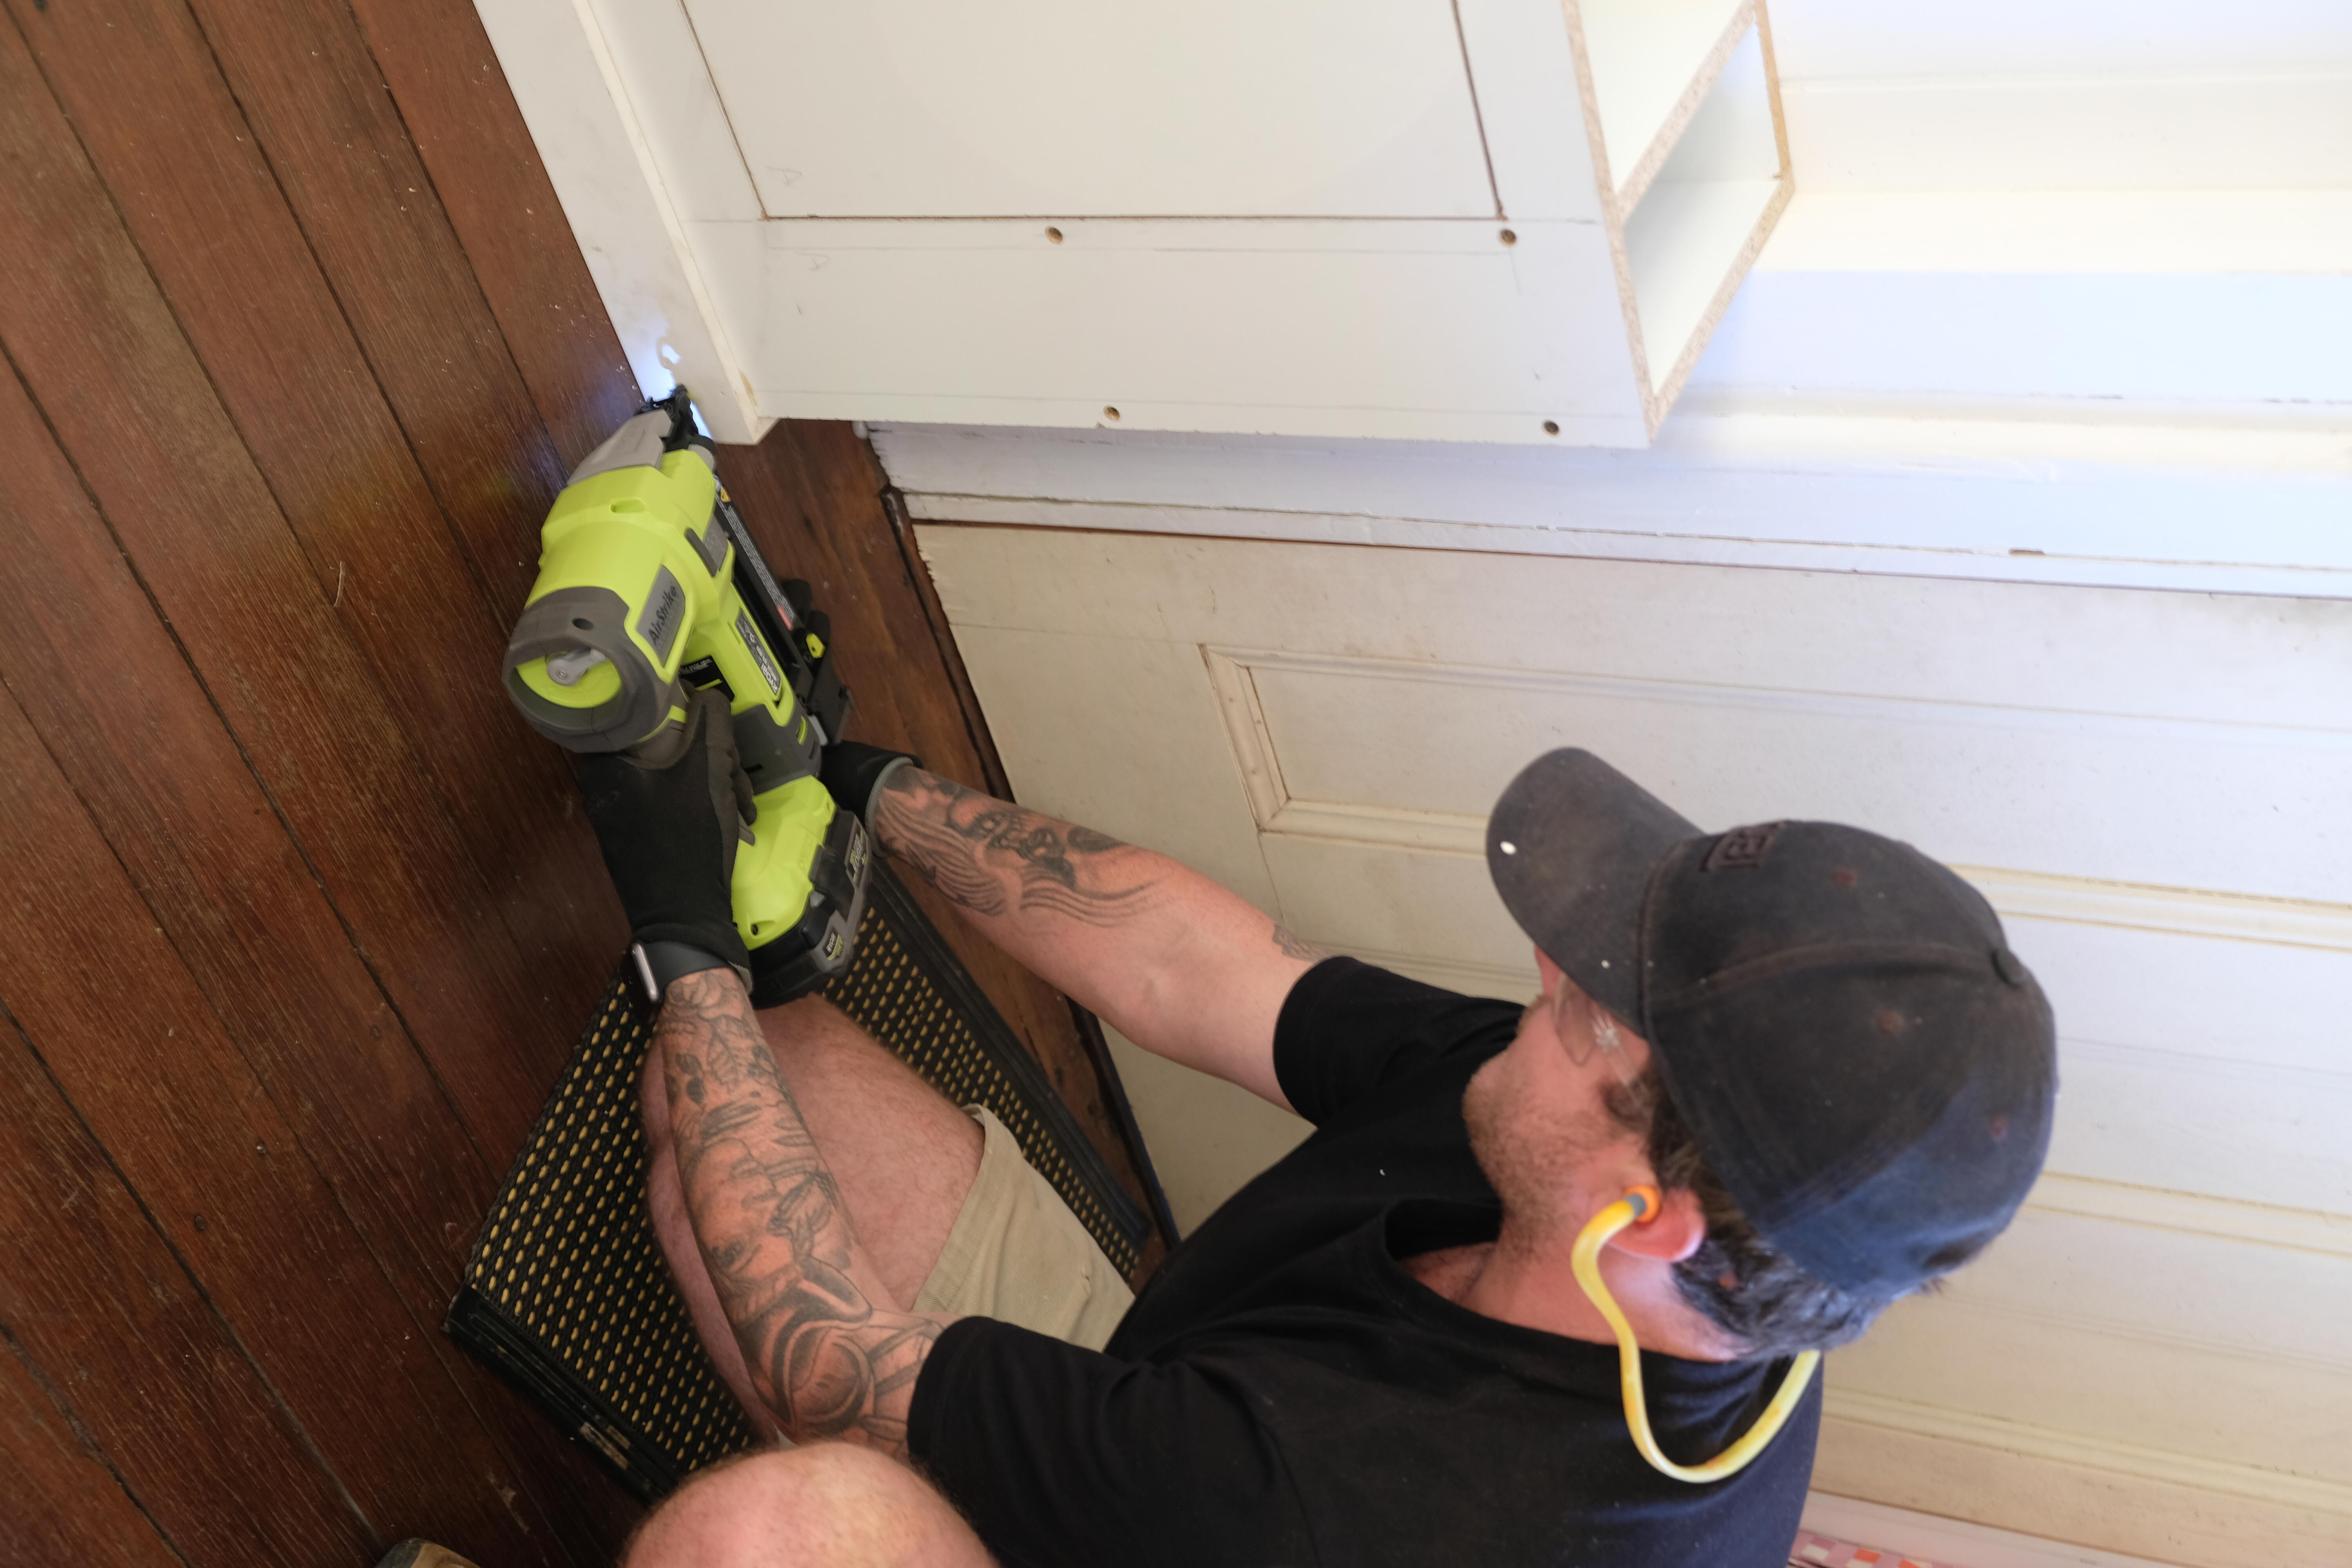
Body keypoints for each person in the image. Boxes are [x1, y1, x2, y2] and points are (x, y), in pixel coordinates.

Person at [579, 693, 2057, 1568]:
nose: (1547, 972)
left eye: (1596, 1009)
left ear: (1644, 1217)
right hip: (1177, 1444)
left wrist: (682, 942)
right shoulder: (1630, 1184)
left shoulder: (1376, 1508)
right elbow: (1204, 972)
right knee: (762, 1076)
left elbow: (832, 1364)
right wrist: (849, 774)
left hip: (1221, 1514)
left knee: (773, 1530)